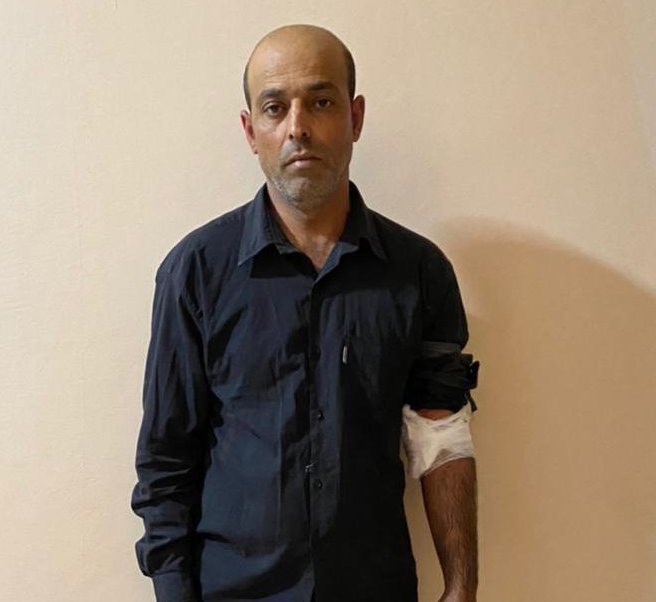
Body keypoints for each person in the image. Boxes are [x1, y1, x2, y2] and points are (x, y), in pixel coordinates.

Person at [131, 24, 480, 602]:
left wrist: (462, 587)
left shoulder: (420, 273)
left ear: (355, 117)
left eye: (321, 102)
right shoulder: (195, 273)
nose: (298, 127)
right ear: (251, 131)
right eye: (275, 107)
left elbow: (440, 432)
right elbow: (167, 461)